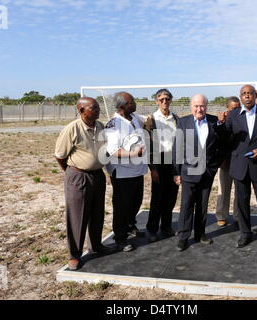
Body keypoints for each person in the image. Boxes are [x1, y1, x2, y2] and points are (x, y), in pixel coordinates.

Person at [218, 85, 257, 250]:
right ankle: (245, 233)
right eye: (244, 94)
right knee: (242, 202)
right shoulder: (233, 115)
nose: (247, 96)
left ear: (255, 95)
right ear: (241, 97)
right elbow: (225, 139)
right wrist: (220, 124)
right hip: (240, 167)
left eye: (250, 93)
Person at [55, 97, 112, 271]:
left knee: (97, 214)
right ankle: (75, 255)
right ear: (81, 111)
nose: (97, 110)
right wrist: (73, 173)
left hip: (97, 175)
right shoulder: (72, 129)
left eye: (97, 107)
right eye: (93, 108)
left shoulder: (100, 126)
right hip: (78, 176)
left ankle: (96, 246)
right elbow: (60, 155)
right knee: (77, 217)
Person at [173, 94, 226, 251]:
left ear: (206, 106)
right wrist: (176, 172)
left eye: (202, 106)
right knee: (187, 205)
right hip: (188, 172)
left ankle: (200, 234)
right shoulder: (183, 122)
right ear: (191, 107)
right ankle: (183, 236)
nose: (199, 109)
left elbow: (222, 145)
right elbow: (177, 148)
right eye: (196, 106)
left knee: (203, 205)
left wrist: (214, 165)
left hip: (207, 172)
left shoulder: (214, 121)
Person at [104, 92, 148, 252]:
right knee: (122, 206)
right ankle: (120, 237)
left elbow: (148, 118)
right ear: (122, 106)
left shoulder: (134, 117)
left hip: (137, 171)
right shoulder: (114, 125)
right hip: (123, 173)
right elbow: (114, 150)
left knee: (136, 201)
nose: (135, 104)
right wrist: (133, 154)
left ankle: (130, 226)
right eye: (132, 102)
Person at [143, 89, 179, 242]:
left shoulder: (176, 118)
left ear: (171, 100)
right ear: (156, 101)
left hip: (173, 162)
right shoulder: (151, 119)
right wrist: (153, 168)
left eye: (167, 99)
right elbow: (148, 145)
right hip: (159, 161)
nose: (165, 102)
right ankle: (152, 229)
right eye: (161, 99)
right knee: (157, 197)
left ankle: (166, 226)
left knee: (171, 196)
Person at [215, 96, 240, 227]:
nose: (237, 110)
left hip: (239, 162)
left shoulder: (243, 120)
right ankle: (221, 215)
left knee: (239, 192)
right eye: (234, 108)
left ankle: (238, 215)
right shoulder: (221, 122)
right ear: (228, 109)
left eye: (239, 107)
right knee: (223, 190)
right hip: (225, 162)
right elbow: (217, 141)